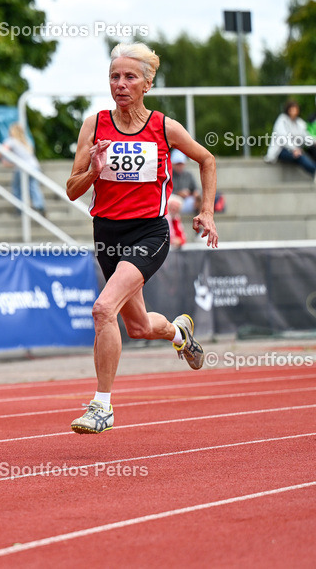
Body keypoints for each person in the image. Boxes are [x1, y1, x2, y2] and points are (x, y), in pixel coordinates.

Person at [65, 42, 218, 434]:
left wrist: (206, 211)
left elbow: (207, 159)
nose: (120, 84)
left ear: (147, 83)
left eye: (130, 77)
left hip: (149, 232)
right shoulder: (94, 125)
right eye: (114, 76)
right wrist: (95, 172)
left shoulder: (164, 127)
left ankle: (102, 406)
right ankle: (179, 333)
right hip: (107, 234)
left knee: (103, 309)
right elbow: (71, 189)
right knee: (138, 328)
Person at [265, 100, 316, 184]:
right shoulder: (282, 121)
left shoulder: (299, 122)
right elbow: (283, 138)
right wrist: (294, 149)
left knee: (302, 154)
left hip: (295, 150)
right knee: (299, 155)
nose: (294, 112)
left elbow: (305, 136)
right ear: (288, 110)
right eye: (292, 109)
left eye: (295, 109)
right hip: (280, 150)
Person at [0, 122, 46, 216]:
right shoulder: (26, 142)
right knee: (33, 186)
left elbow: (3, 150)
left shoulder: (11, 140)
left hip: (23, 168)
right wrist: (8, 164)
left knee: (16, 188)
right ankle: (39, 205)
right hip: (34, 167)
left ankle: (20, 208)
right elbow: (21, 159)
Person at [170, 149, 201, 213]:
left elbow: (195, 188)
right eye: (177, 164)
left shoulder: (188, 175)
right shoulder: (169, 175)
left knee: (199, 200)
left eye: (181, 164)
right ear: (172, 164)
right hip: (173, 200)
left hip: (187, 201)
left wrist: (195, 193)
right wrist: (178, 193)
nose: (179, 166)